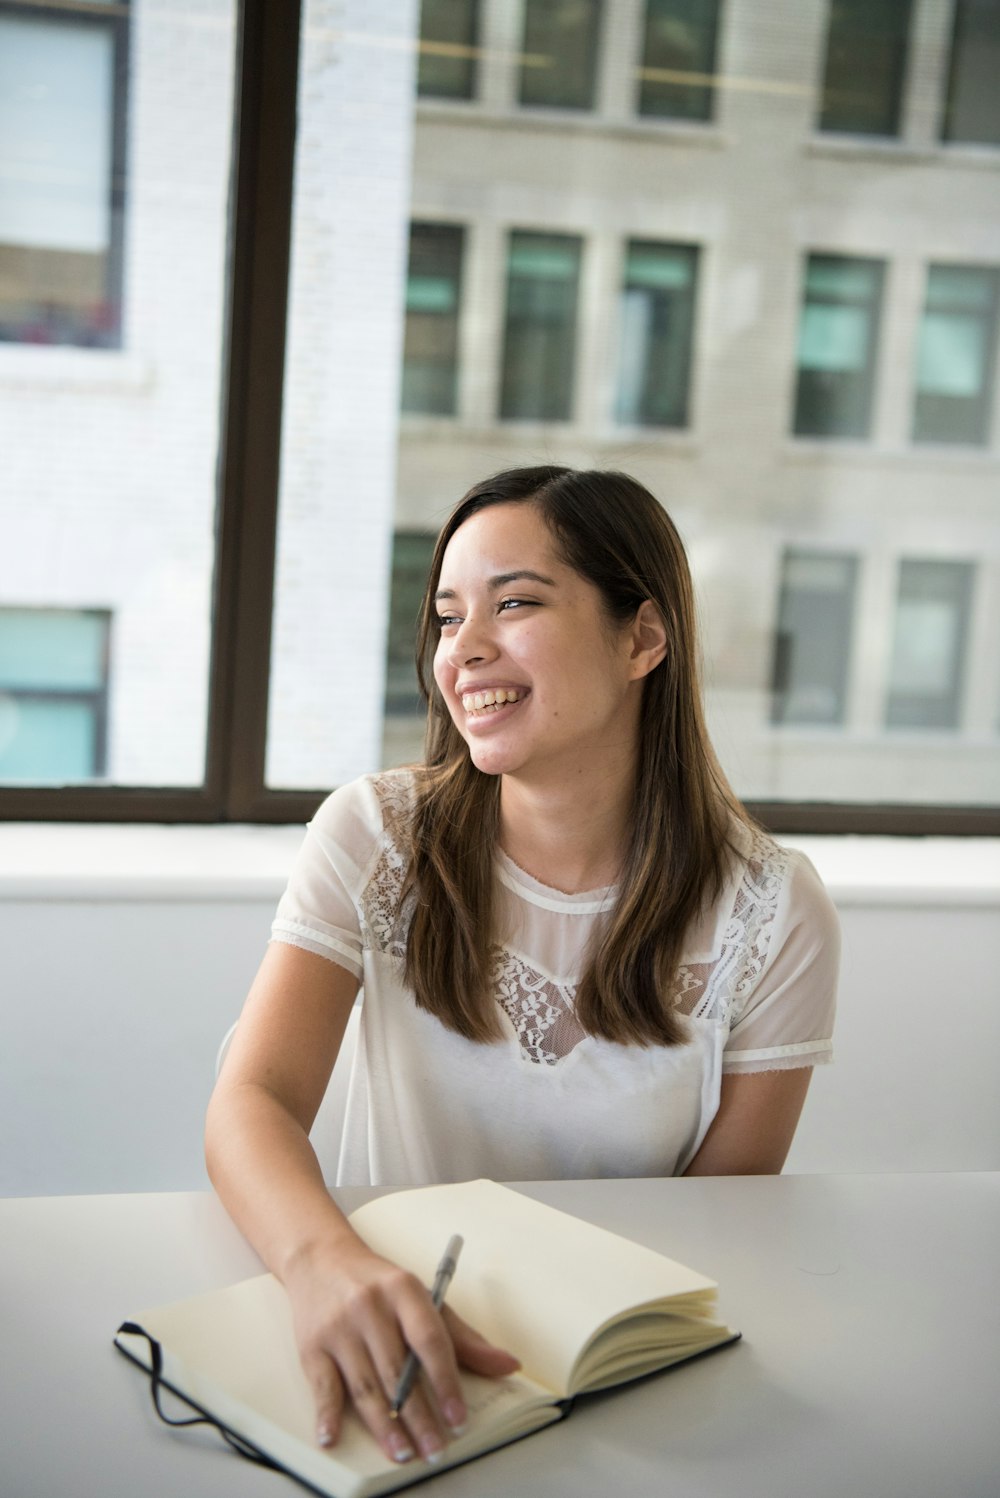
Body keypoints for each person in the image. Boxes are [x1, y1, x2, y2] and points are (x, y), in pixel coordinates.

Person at [205, 465, 839, 1469]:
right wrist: (323, 1264)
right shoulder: (374, 835)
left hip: (623, 1393)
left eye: (515, 604)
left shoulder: (771, 907)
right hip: (391, 1351)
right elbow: (253, 1100)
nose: (465, 651)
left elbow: (724, 1222)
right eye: (449, 617)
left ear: (642, 637)